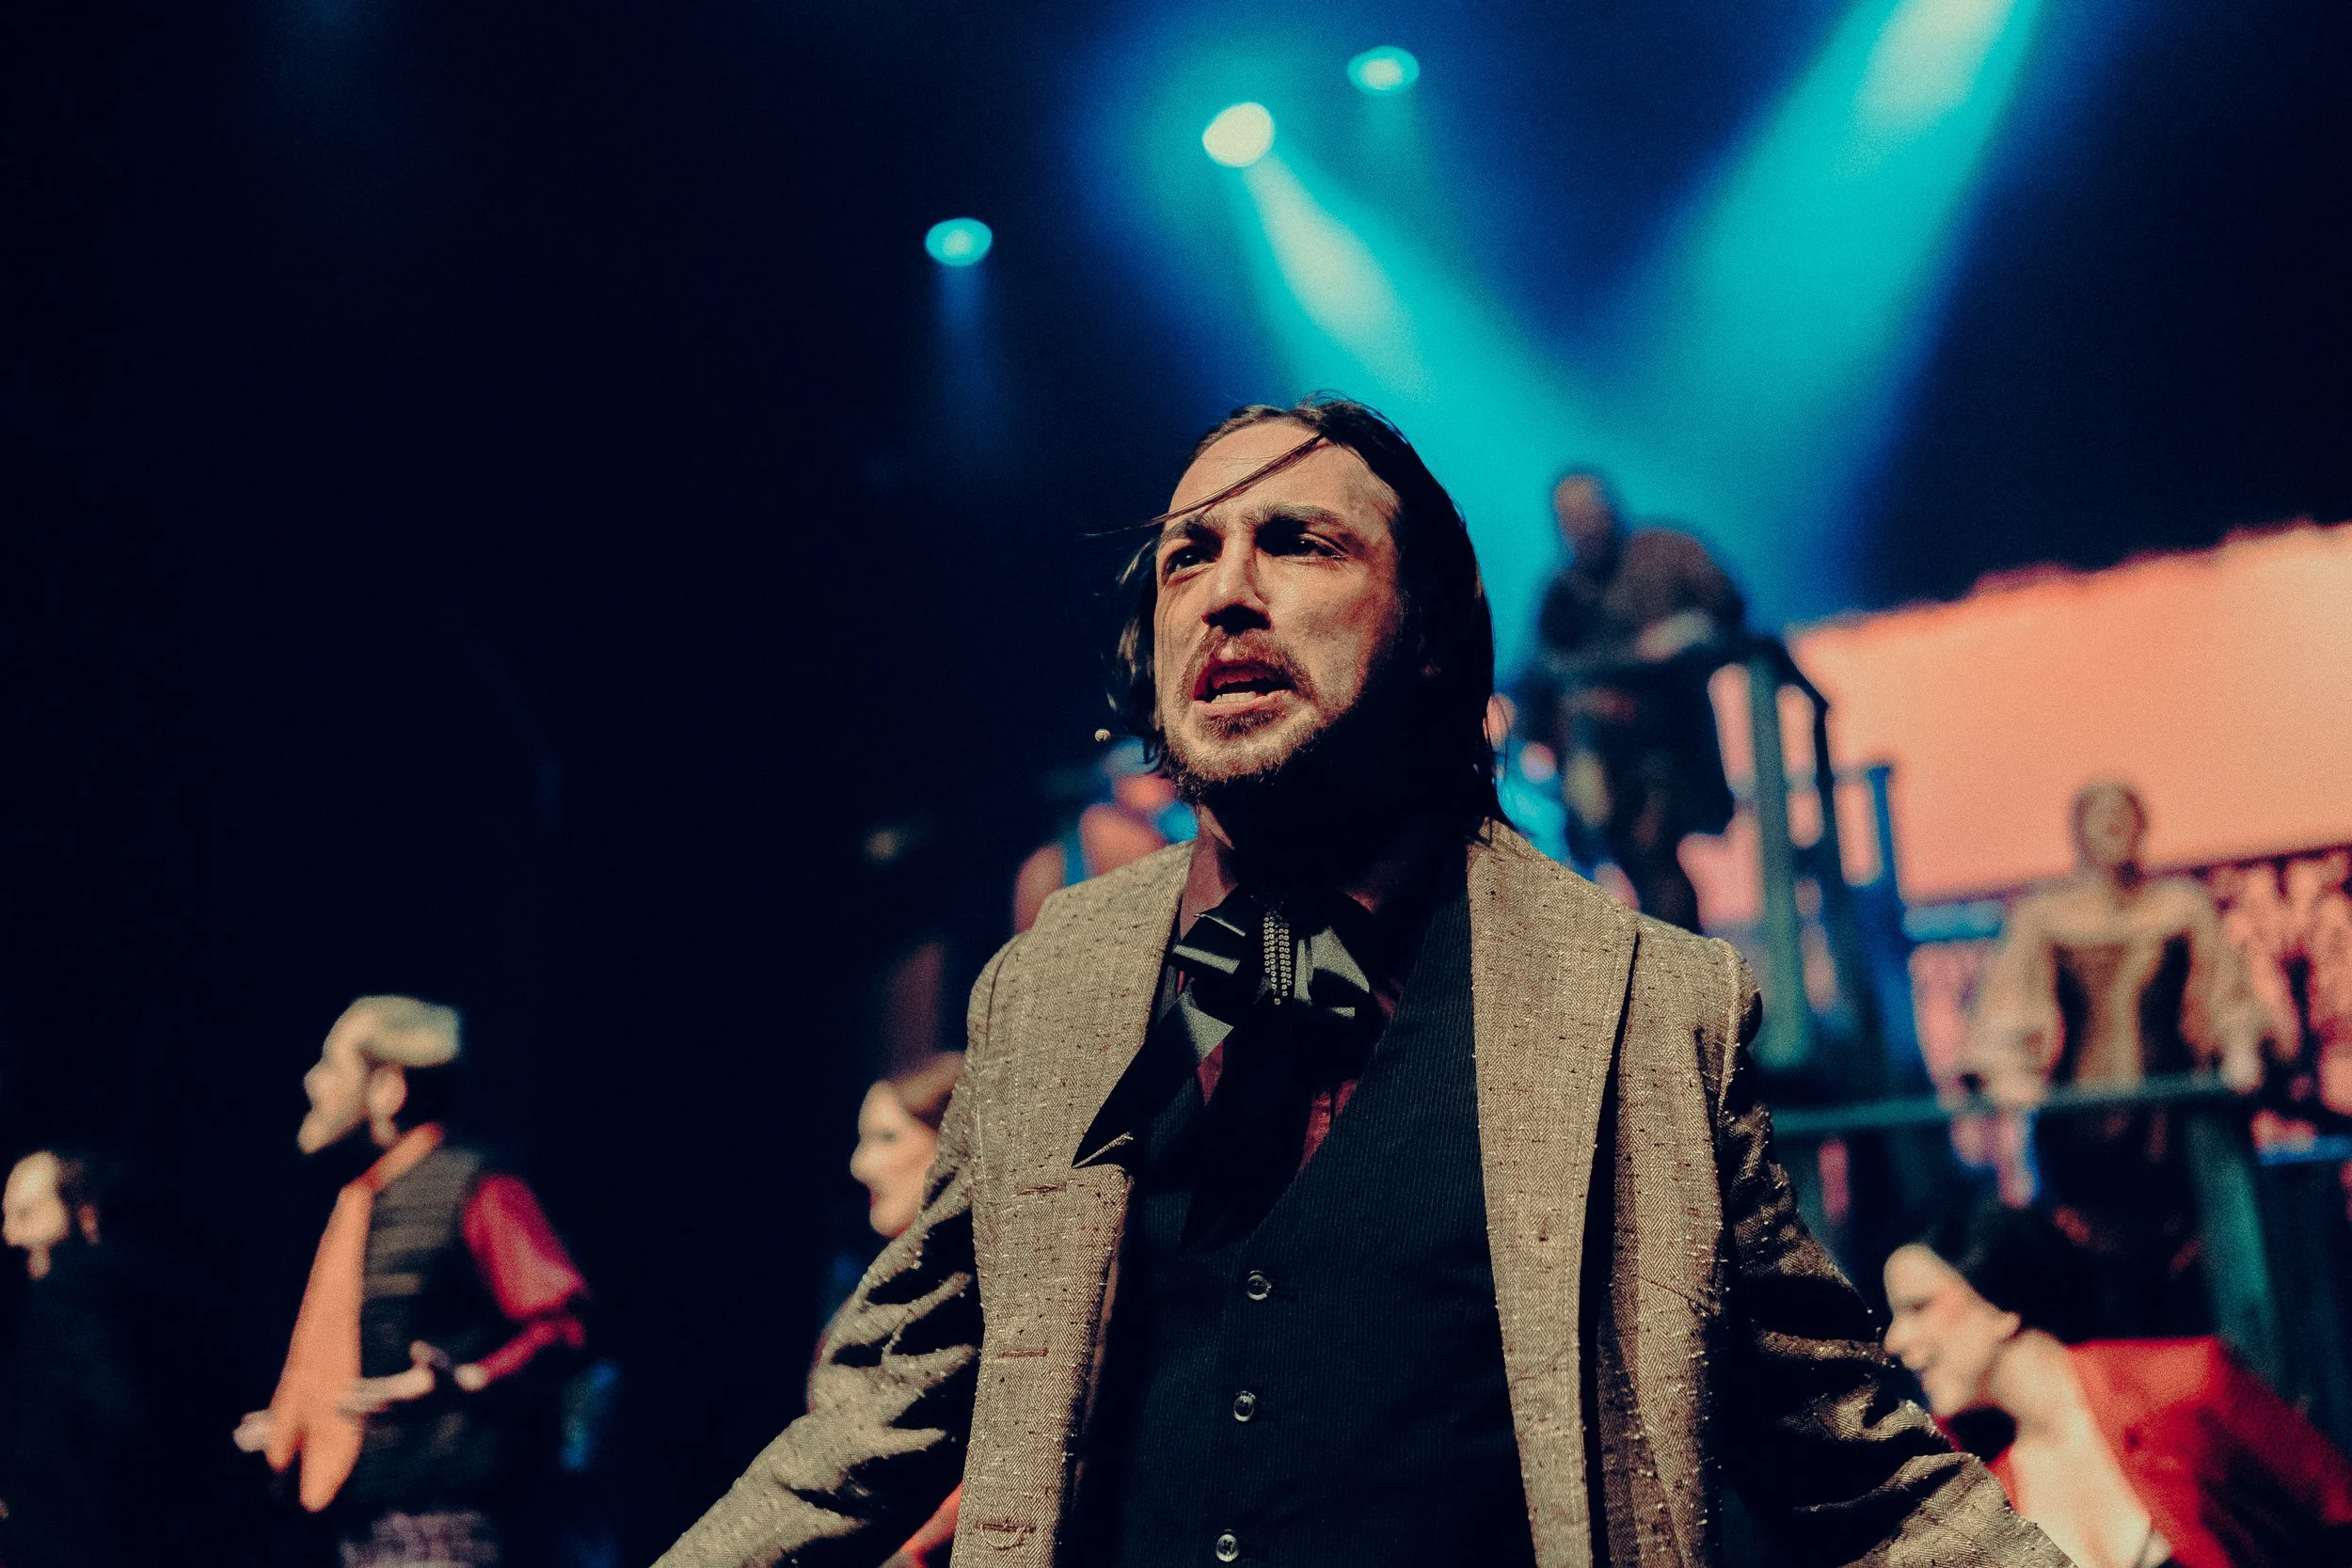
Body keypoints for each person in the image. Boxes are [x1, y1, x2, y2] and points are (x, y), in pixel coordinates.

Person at [656, 395, 2058, 1568]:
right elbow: (874, 1420)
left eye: (1297, 541)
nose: (1227, 590)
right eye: (1186, 557)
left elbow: (1869, 1478)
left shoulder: (1638, 1005)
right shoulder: (1052, 994)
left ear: (1440, 627)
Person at [234, 996, 590, 1568]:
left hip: (443, 1526)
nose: (312, 1081)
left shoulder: (479, 1187)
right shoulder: (362, 1200)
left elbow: (564, 1324)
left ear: (389, 1087)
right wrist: (298, 1417)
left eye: (332, 1064)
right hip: (360, 1524)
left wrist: (470, 1379)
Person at [1962, 781, 2282, 1335]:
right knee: (2087, 1268)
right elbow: (2008, 1009)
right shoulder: (2044, 916)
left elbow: (2226, 994)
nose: (2111, 827)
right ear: (2078, 830)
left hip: (2171, 1121)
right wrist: (2008, 1071)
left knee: (2194, 1273)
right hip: (2080, 1126)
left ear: (2142, 825)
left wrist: (2239, 1045)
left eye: (2122, 815)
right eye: (2099, 816)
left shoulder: (2181, 906)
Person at [1883, 1202, 2352, 1568]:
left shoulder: (2186, 1383)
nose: (1893, 1340)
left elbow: (2337, 1503)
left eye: (1918, 1307)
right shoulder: (1982, 1489)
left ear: (2001, 1304)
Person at [1520, 469, 1743, 931]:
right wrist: (1571, 739)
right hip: (1596, 761)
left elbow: (1727, 608)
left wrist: (1689, 631)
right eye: (1570, 516)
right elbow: (1538, 678)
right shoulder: (1562, 593)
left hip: (1668, 748)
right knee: (1624, 864)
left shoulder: (1667, 553)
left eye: (1590, 508)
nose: (1583, 524)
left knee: (1655, 852)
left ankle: (1684, 973)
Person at [843, 1055, 967, 1568]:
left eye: (887, 1138)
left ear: (953, 1144)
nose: (860, 1164)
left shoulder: (968, 1292)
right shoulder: (881, 1285)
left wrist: (911, 1551)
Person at [0, 1149, 147, 1568]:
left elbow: (115, 1421)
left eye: (26, 1215)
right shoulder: (50, 1301)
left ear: (85, 1214)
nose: (9, 1235)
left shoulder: (73, 1293)